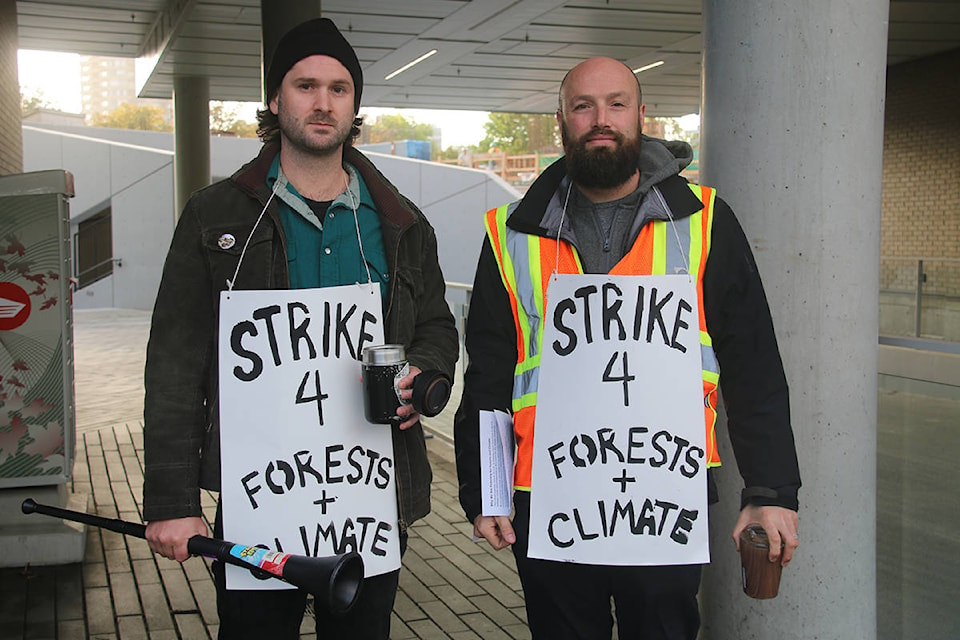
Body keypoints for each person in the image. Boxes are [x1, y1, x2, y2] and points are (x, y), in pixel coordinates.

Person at [454, 56, 801, 639]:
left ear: (642, 115)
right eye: (583, 106)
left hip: (667, 490)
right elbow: (490, 374)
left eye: (617, 104)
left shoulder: (706, 221)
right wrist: (485, 491)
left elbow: (753, 363)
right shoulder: (510, 233)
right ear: (561, 118)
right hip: (548, 495)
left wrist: (770, 491)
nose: (601, 119)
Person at [141, 17, 458, 640]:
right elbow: (175, 366)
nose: (323, 102)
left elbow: (438, 326)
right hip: (260, 491)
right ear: (275, 99)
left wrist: (425, 371)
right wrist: (173, 503)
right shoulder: (217, 215)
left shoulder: (401, 221)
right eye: (305, 85)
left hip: (370, 491)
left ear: (355, 104)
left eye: (339, 88)